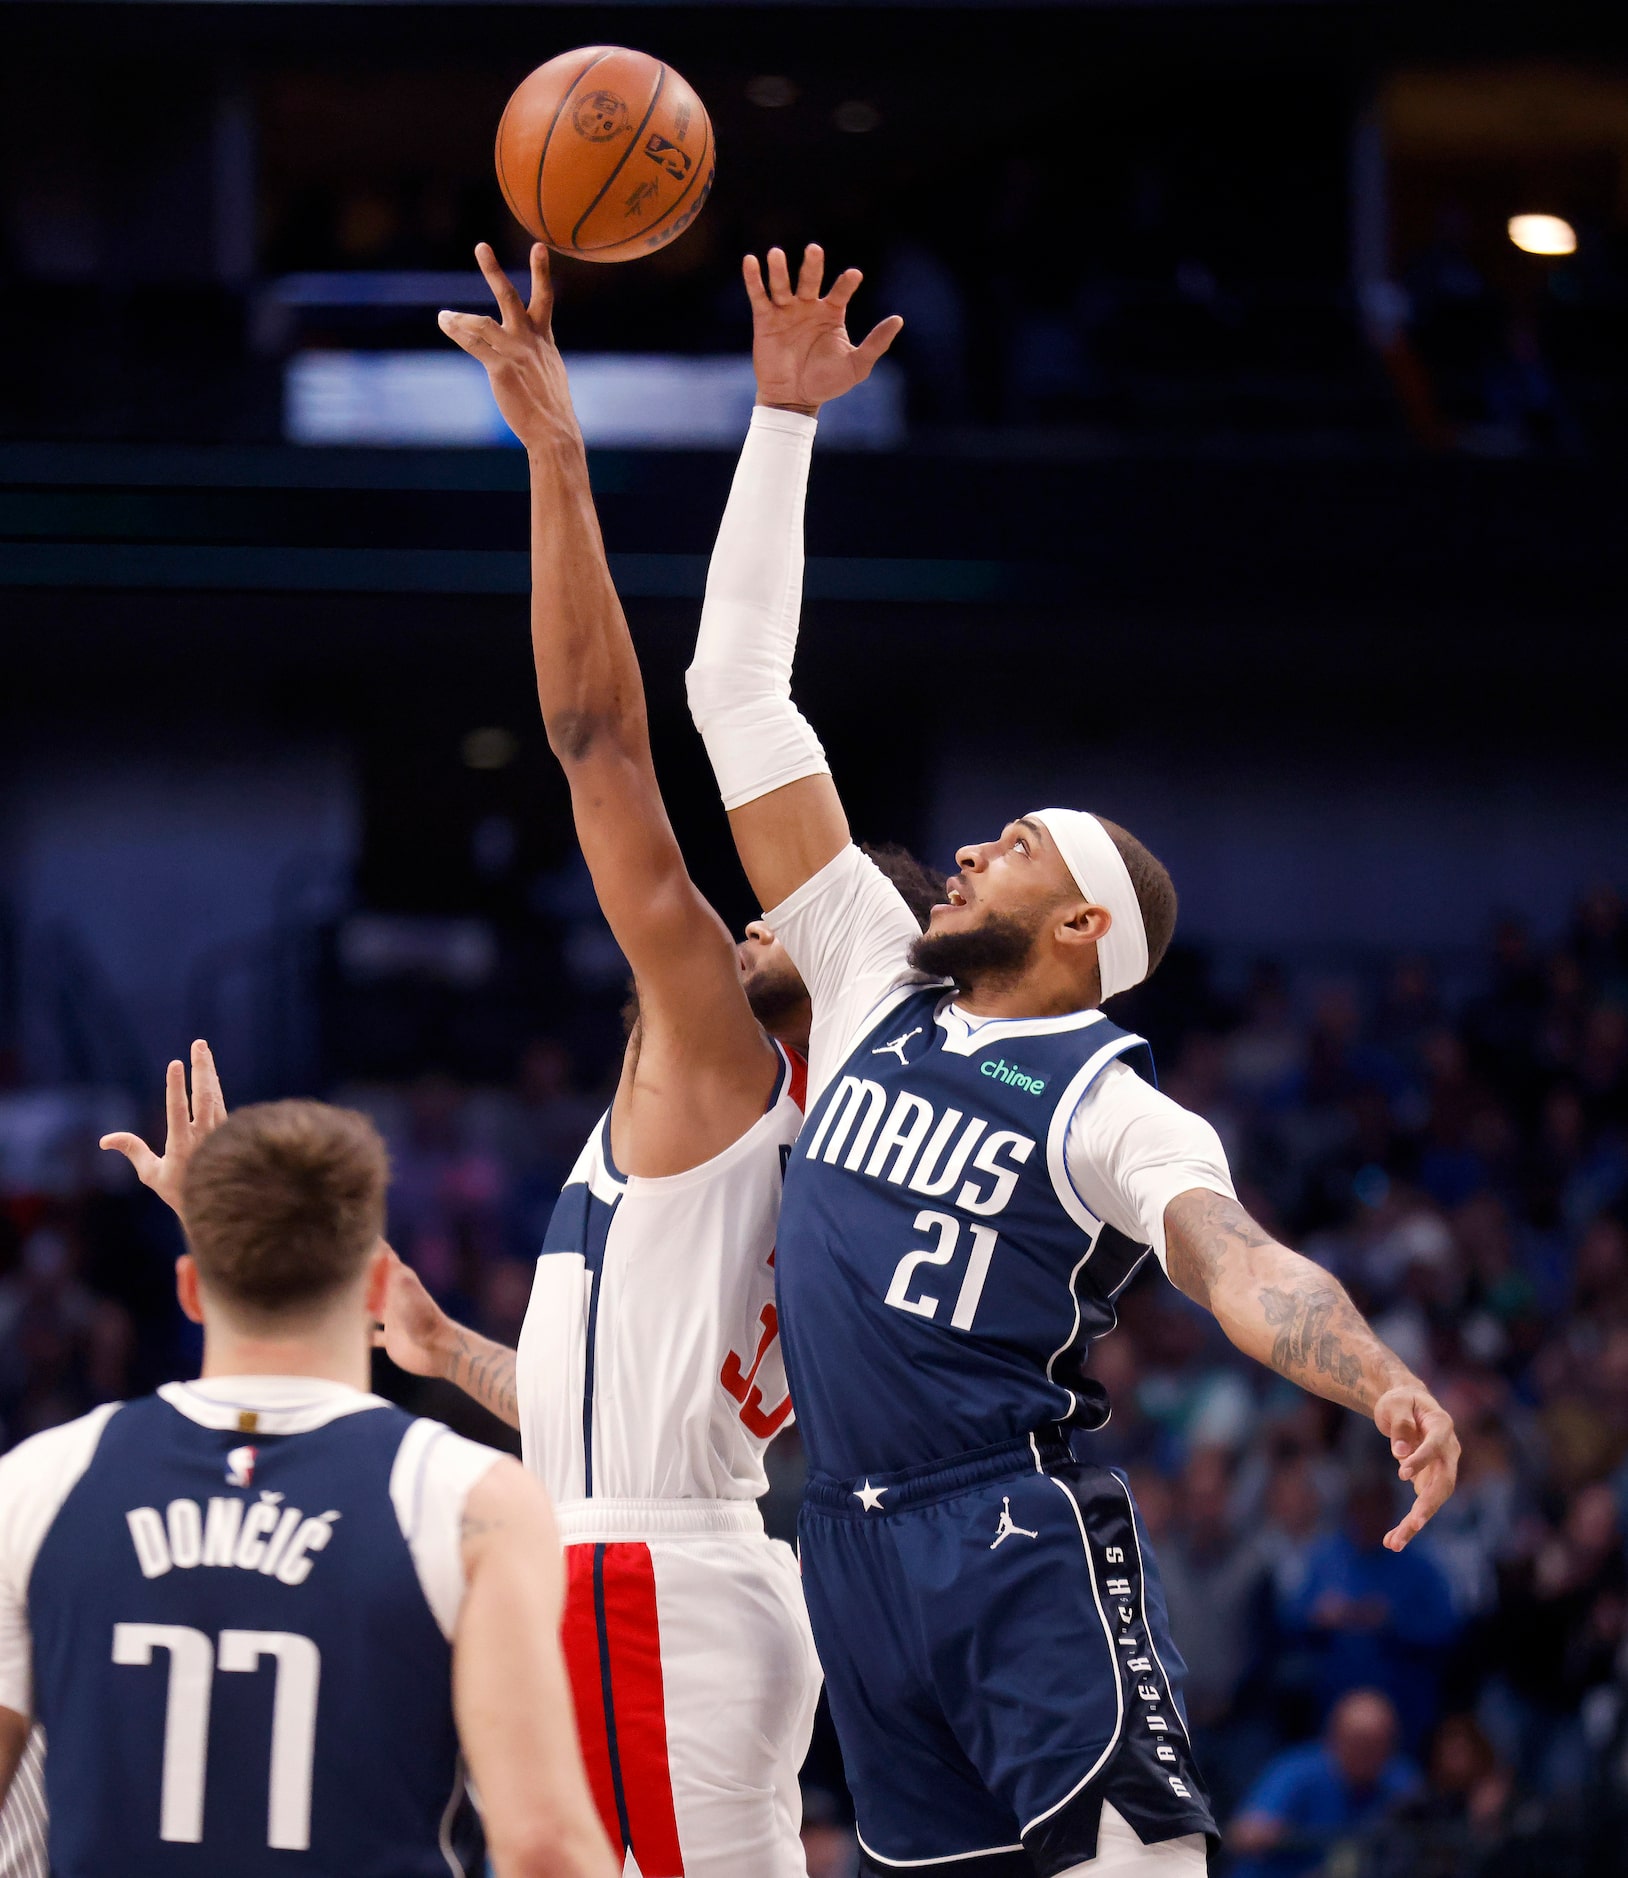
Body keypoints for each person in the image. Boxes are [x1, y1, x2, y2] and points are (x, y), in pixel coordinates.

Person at [683, 239, 1462, 1877]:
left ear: (1079, 934)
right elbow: (735, 690)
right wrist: (780, 423)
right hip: (846, 1535)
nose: (969, 844)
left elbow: (1236, 1264)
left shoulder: (1110, 1105)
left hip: (1008, 1527)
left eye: (1018, 843)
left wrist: (1378, 1376)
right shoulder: (859, 970)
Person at [379, 241, 940, 1878]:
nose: (754, 910)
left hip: (648, 1593)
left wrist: (554, 452)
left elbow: (598, 741)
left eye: (788, 910)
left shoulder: (720, 1045)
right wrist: (451, 1348)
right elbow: (636, 1414)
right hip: (658, 1568)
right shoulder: (786, 1123)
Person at [0, 1041, 615, 1878]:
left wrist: (221, 1217)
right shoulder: (472, 1497)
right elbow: (544, 1850)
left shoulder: (40, 1481)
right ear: (377, 1286)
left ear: (189, 1288)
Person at [1228, 1688, 1419, 1878]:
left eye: (1376, 1744)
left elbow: (1426, 1837)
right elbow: (1244, 1833)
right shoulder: (1297, 1770)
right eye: (1358, 1742)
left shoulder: (1400, 1781)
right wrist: (1275, 1835)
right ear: (1333, 1737)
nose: (1365, 1753)